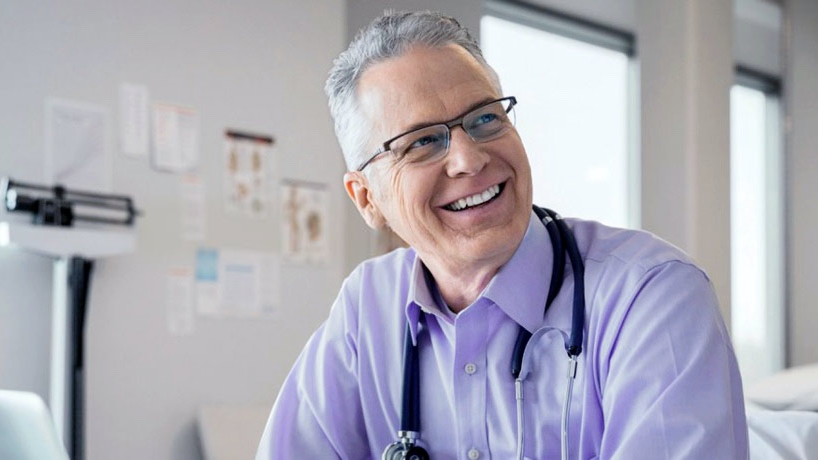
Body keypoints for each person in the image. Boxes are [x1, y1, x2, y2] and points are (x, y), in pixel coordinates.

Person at [257, 10, 747, 459]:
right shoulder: (367, 309)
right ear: (367, 198)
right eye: (422, 141)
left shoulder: (650, 295)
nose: (469, 159)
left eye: (485, 118)